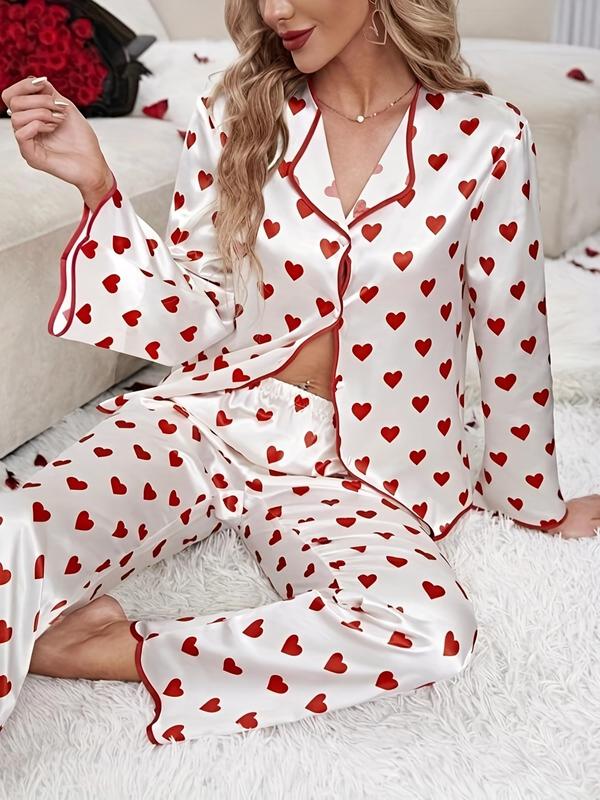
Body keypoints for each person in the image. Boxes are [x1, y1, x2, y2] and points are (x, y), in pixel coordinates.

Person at [1, 0, 598, 746]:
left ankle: (99, 649)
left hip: (358, 470)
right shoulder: (234, 111)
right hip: (211, 419)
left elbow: (511, 331)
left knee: (428, 628)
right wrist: (98, 187)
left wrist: (533, 500)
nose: (275, 10)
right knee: (13, 529)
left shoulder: (487, 136)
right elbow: (197, 311)